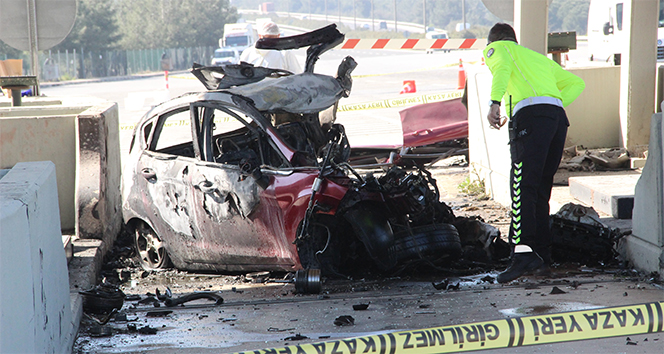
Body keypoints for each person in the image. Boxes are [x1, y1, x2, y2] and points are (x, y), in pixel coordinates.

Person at [483, 23, 585, 283]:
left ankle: (522, 253)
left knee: (521, 185)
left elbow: (502, 69)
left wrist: (495, 103)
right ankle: (541, 255)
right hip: (557, 119)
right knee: (540, 188)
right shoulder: (538, 59)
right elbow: (576, 83)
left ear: (492, 42)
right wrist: (552, 104)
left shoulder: (497, 49)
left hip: (531, 118)